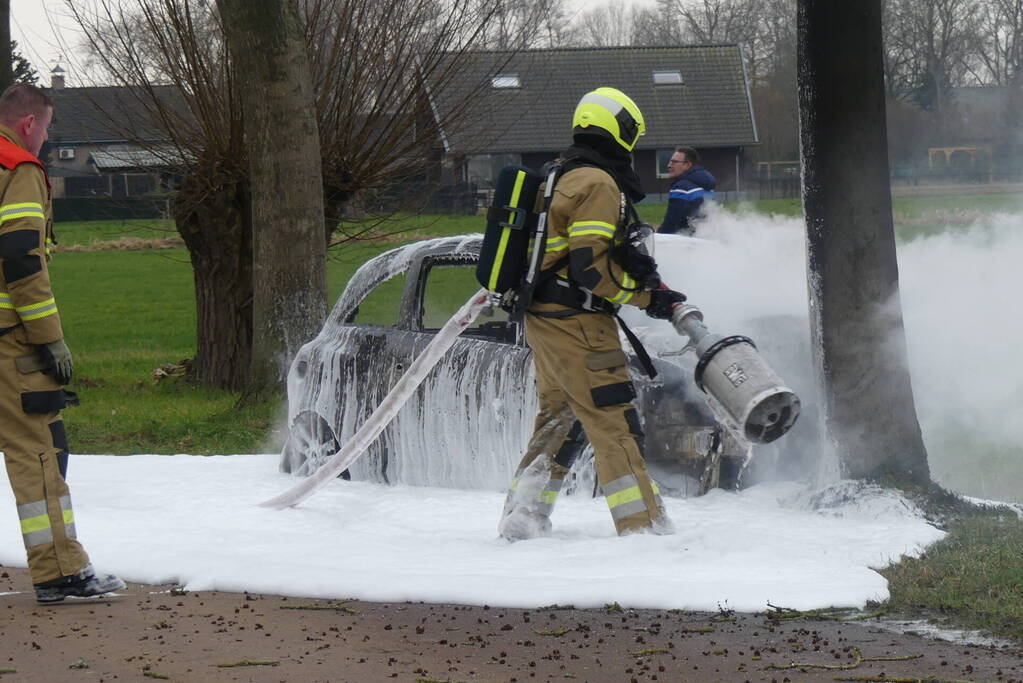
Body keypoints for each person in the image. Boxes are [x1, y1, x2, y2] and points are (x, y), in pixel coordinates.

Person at [498, 87, 687, 540]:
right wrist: (647, 299)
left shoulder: (557, 174)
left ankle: (522, 519)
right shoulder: (598, 183)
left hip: (544, 319)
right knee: (613, 421)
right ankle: (645, 530)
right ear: (618, 130)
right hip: (580, 323)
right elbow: (588, 267)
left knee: (558, 418)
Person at [0, 84, 124, 603]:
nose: (47, 140)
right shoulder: (19, 168)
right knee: (41, 453)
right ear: (29, 124)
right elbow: (23, 258)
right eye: (47, 130)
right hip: (10, 344)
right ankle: (61, 574)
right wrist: (51, 340)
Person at [659, 146, 716, 235]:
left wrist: (658, 236)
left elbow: (671, 222)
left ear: (687, 165)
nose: (669, 165)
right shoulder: (706, 185)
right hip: (706, 237)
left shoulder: (682, 187)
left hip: (686, 241)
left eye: (674, 162)